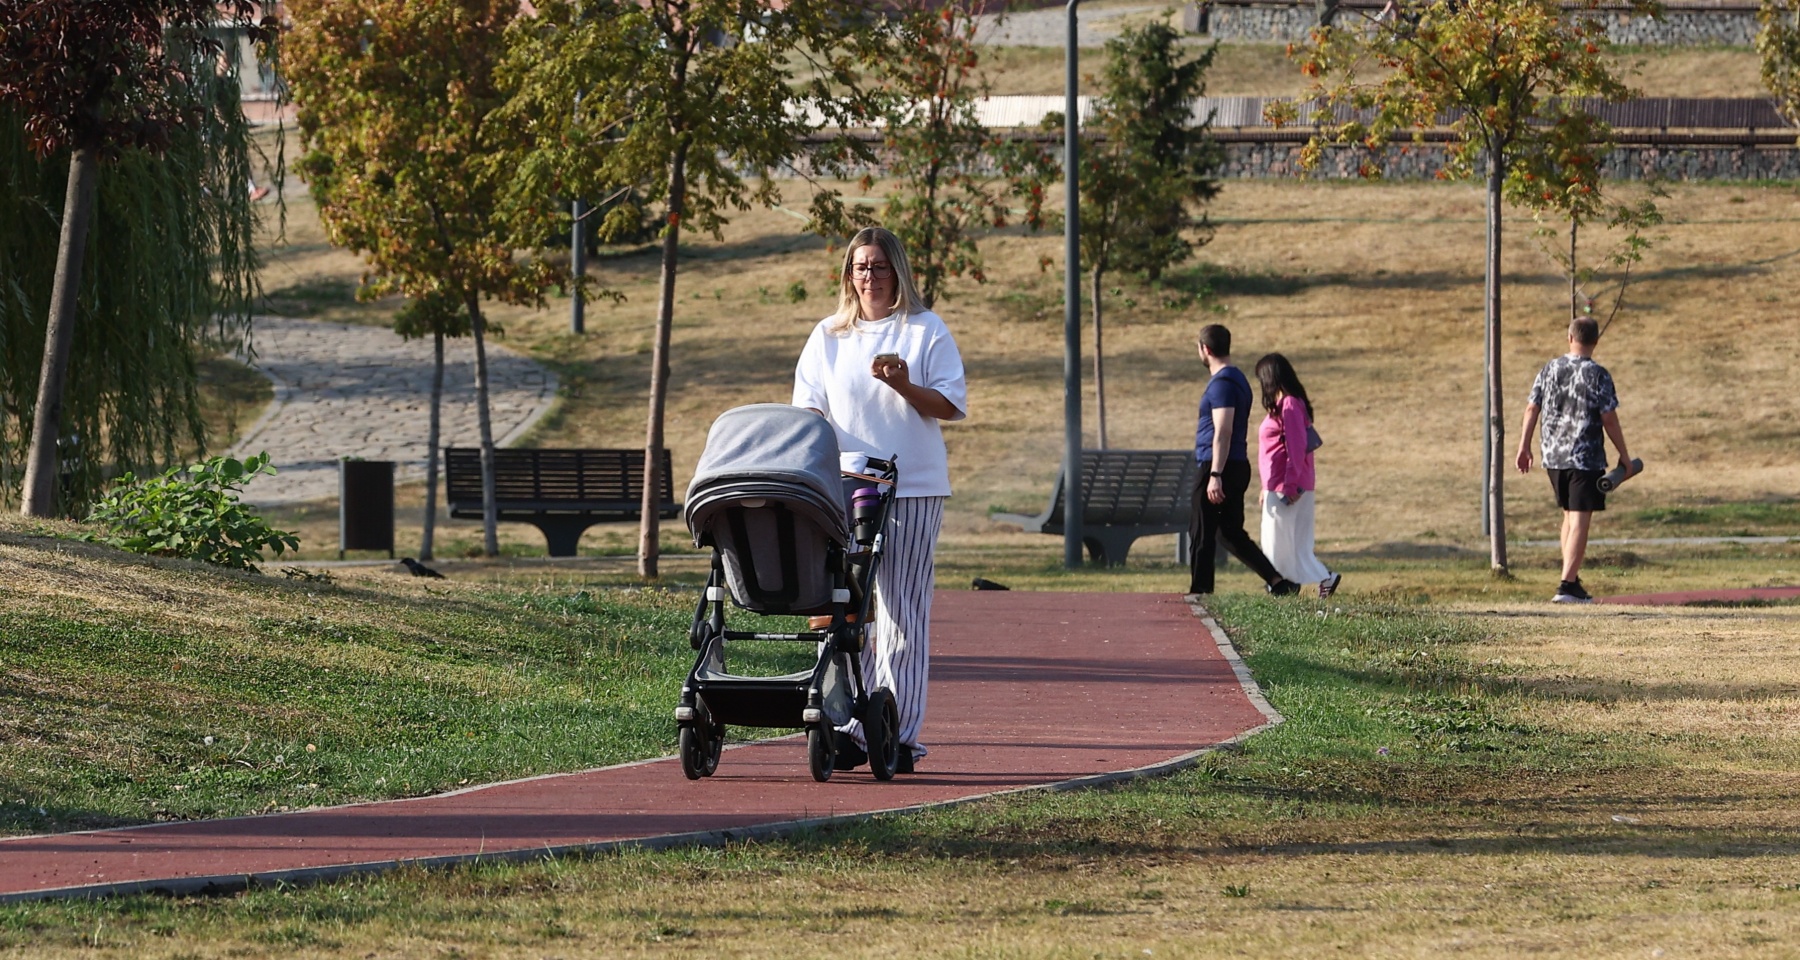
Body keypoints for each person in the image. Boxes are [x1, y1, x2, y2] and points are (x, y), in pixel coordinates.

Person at [793, 226, 966, 773]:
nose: (869, 276)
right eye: (860, 267)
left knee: (901, 613)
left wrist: (902, 385)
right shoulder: (828, 334)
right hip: (844, 489)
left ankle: (899, 734)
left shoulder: (924, 330)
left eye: (879, 266)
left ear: (898, 271)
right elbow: (809, 408)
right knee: (847, 613)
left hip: (910, 487)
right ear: (849, 274)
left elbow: (949, 405)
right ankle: (854, 723)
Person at [1515, 316, 1635, 604]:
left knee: (1569, 515)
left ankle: (1571, 578)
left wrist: (1524, 446)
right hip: (1585, 456)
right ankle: (1567, 585)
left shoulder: (1549, 369)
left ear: (1570, 337)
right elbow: (1609, 417)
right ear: (1596, 341)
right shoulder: (1598, 374)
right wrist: (1624, 454)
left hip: (1553, 456)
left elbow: (1532, 409)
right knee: (1581, 518)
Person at [1188, 324, 1299, 597]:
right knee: (1230, 533)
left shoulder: (1223, 384)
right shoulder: (1237, 380)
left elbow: (1223, 430)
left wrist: (1215, 474)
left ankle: (1200, 591)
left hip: (1218, 464)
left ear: (1206, 349)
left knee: (1201, 530)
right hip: (1235, 463)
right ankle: (1278, 581)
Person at [1254, 353, 1342, 599]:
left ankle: (1292, 585)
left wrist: (1289, 485)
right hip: (1281, 484)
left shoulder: (1289, 405)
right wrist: (1265, 487)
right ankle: (1315, 579)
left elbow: (1295, 447)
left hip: (1286, 486)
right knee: (1290, 545)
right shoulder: (1289, 405)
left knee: (1277, 545)